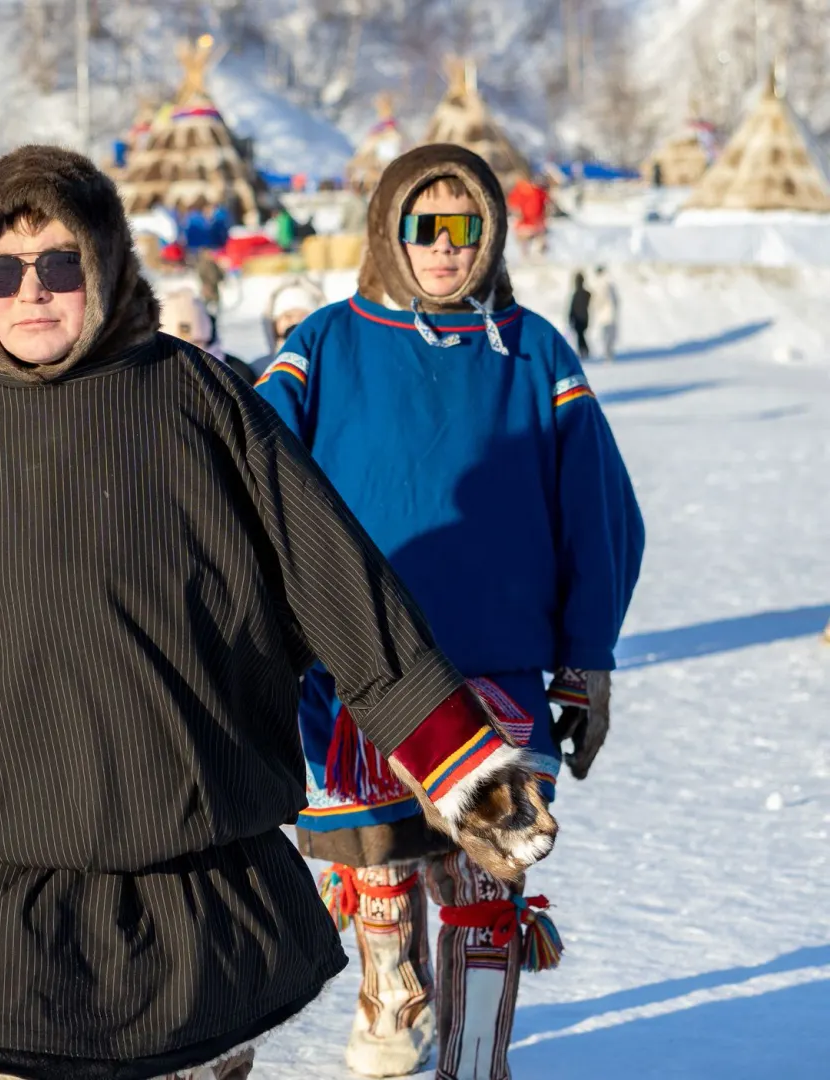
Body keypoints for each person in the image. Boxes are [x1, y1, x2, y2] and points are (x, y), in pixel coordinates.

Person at [0, 146, 559, 1080]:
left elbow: (339, 585)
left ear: (107, 264)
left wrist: (462, 767)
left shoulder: (197, 401)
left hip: (186, 868)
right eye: (1, 271)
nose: (32, 292)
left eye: (60, 264)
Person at [256, 145, 643, 1080]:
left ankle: (476, 1057)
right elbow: (251, 474)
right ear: (388, 228)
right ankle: (394, 999)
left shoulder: (535, 349)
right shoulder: (323, 343)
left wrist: (586, 655)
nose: (442, 246)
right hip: (358, 661)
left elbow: (599, 506)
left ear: (493, 233)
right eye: (421, 225)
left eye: (463, 226)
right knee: (380, 855)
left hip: (498, 663)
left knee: (487, 869)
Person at [159, 285, 251, 383]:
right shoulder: (151, 375)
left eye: (197, 343)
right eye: (177, 346)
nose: (188, 354)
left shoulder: (236, 373)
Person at [259, 275, 327, 367]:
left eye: (303, 316)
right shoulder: (258, 369)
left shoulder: (326, 365)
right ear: (274, 323)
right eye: (288, 316)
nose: (295, 322)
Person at [505, 174, 552, 259]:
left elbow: (546, 204)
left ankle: (538, 255)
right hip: (526, 221)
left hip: (535, 221)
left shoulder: (538, 191)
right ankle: (525, 256)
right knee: (524, 239)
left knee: (537, 238)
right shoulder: (521, 190)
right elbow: (513, 203)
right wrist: (517, 212)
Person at [586, 265, 619, 363]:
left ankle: (608, 355)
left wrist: (595, 307)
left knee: (606, 337)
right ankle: (608, 355)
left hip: (604, 315)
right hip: (609, 315)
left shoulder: (601, 284)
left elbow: (598, 300)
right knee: (609, 337)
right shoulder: (609, 284)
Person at [567, 270, 592, 357]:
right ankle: (584, 351)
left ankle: (584, 351)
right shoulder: (587, 294)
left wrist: (570, 318)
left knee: (580, 336)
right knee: (581, 336)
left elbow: (572, 308)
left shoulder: (578, 294)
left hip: (579, 319)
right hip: (584, 318)